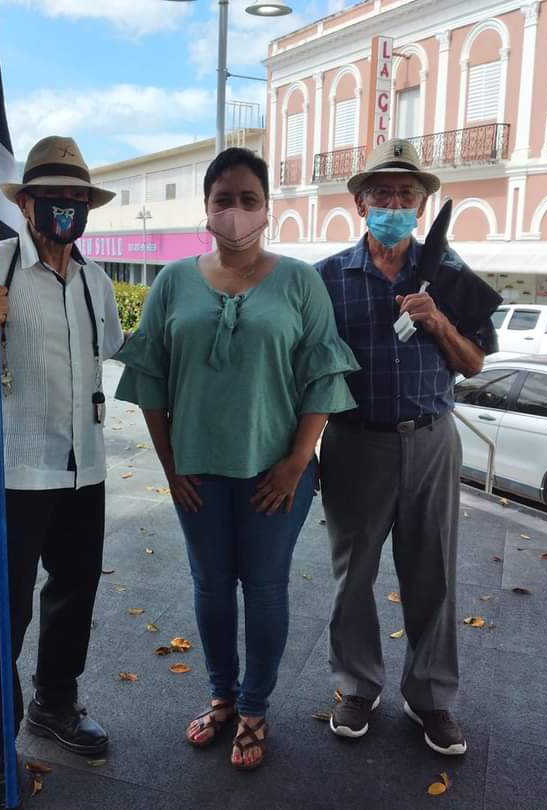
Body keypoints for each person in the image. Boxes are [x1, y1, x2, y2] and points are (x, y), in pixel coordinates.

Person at [115, 147, 359, 771]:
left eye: (249, 199)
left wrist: (296, 463)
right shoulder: (172, 281)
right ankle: (222, 695)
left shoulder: (298, 282)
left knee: (267, 587)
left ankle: (254, 708)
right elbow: (151, 380)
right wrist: (171, 468)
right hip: (197, 473)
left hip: (276, 475)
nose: (235, 211)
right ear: (206, 207)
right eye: (223, 198)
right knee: (211, 587)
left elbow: (322, 379)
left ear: (268, 209)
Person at [0, 136, 123, 808]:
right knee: (4, 612)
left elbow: (117, 353)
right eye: (54, 200)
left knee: (74, 591)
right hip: (17, 470)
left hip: (83, 468)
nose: (66, 211)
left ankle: (55, 704)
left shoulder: (97, 281)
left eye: (77, 201)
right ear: (29, 204)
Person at [313, 139, 498, 757]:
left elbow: (472, 365)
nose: (394, 203)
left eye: (407, 194)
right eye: (382, 193)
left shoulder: (450, 274)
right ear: (359, 202)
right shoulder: (325, 280)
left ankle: (432, 699)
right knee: (352, 577)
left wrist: (439, 321)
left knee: (433, 575)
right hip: (353, 443)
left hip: (431, 442)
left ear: (422, 204)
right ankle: (357, 686)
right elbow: (307, 370)